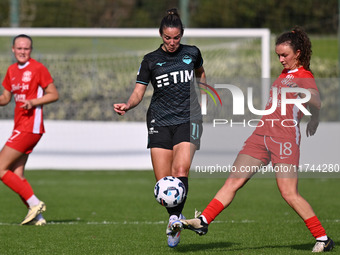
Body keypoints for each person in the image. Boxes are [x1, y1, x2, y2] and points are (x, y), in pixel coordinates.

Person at [181, 27, 334, 253]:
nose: (280, 59)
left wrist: (310, 110)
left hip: (285, 139)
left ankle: (323, 238)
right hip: (260, 136)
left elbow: (316, 101)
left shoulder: (304, 76)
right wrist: (313, 119)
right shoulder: (284, 75)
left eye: (285, 55)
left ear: (298, 53)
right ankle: (204, 221)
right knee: (233, 181)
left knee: (288, 193)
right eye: (278, 55)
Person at [114, 8, 206, 248]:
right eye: (167, 37)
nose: (172, 42)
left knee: (181, 168)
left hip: (189, 118)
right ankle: (174, 219)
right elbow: (138, 92)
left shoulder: (192, 53)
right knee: (164, 182)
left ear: (182, 35)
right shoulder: (150, 60)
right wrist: (128, 105)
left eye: (176, 37)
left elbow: (200, 73)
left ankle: (175, 222)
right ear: (160, 35)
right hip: (159, 120)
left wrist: (205, 96)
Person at [0, 34, 59, 225]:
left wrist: (33, 102)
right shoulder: (11, 70)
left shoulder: (38, 68)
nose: (22, 51)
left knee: (0, 168)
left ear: (31, 50)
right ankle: (38, 218)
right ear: (13, 50)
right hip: (20, 126)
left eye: (26, 48)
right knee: (17, 175)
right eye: (19, 48)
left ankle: (35, 203)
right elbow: (5, 99)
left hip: (31, 127)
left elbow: (53, 94)